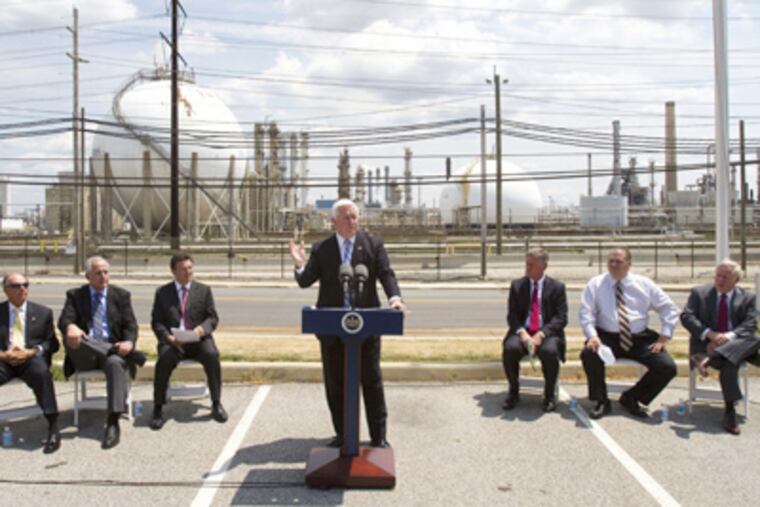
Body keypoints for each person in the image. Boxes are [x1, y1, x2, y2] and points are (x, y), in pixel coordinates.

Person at [289, 198, 404, 448]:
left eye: (355, 217)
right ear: (333, 222)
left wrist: (394, 298)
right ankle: (343, 435)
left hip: (367, 328)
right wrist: (299, 264)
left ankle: (378, 437)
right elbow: (305, 281)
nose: (352, 222)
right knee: (335, 384)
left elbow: (386, 273)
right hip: (332, 330)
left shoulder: (372, 245)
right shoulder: (323, 249)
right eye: (346, 218)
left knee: (372, 381)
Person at [579, 247, 679, 419]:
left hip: (640, 338)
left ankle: (632, 397)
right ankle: (601, 400)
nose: (613, 264)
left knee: (667, 367)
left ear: (629, 264)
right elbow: (586, 313)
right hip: (607, 337)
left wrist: (664, 336)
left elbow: (669, 308)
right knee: (589, 354)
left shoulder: (644, 284)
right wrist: (592, 336)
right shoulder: (596, 284)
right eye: (611, 261)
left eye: (618, 261)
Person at [59, 256, 143, 449]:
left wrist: (129, 342)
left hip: (112, 356)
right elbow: (64, 320)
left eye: (106, 272)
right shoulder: (75, 295)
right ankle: (112, 349)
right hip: (85, 353)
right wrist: (70, 326)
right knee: (71, 338)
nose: (103, 276)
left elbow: (131, 325)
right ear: (88, 276)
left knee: (114, 363)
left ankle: (113, 422)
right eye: (98, 273)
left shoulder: (121, 296)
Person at [681, 259, 760, 435]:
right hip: (706, 344)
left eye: (725, 277)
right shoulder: (699, 293)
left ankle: (711, 358)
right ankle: (729, 412)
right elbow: (687, 317)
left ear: (736, 280)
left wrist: (728, 337)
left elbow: (750, 324)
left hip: (733, 344)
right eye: (718, 275)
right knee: (730, 362)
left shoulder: (747, 298)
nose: (720, 280)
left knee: (755, 337)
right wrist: (710, 334)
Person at [150, 253, 227, 429]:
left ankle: (216, 403)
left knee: (212, 355)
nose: (187, 272)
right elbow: (157, 322)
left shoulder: (203, 290)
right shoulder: (163, 293)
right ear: (173, 271)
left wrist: (202, 329)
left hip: (198, 340)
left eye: (190, 268)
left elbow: (212, 318)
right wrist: (168, 337)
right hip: (174, 341)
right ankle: (158, 407)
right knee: (164, 361)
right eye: (183, 269)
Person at [0, 273, 61, 453]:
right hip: (4, 360)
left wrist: (32, 352)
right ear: (5, 290)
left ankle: (53, 425)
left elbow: (52, 343)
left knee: (42, 373)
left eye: (25, 285)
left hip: (30, 359)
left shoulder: (43, 312)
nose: (22, 289)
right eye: (16, 286)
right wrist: (3, 355)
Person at [502, 248, 567, 412]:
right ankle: (514, 391)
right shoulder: (517, 286)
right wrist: (522, 333)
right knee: (510, 348)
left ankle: (549, 394)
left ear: (544, 266)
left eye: (531, 264)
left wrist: (541, 334)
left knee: (550, 352)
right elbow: (512, 316)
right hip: (523, 332)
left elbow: (561, 318)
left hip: (547, 333)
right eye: (526, 263)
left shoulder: (557, 287)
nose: (527, 267)